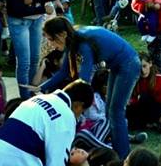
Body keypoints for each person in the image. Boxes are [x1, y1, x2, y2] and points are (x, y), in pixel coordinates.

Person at [39, 18, 141, 158]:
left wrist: (64, 98)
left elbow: (84, 81)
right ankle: (119, 142)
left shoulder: (83, 44)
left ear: (62, 34)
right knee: (108, 111)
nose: (50, 44)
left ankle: (122, 157)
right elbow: (64, 72)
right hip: (118, 65)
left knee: (116, 111)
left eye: (51, 39)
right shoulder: (73, 39)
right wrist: (40, 88)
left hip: (128, 64)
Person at [5, 0, 58, 99]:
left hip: (36, 19)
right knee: (24, 61)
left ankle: (33, 92)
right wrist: (42, 6)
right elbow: (18, 8)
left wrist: (33, 0)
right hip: (19, 21)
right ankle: (24, 97)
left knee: (35, 58)